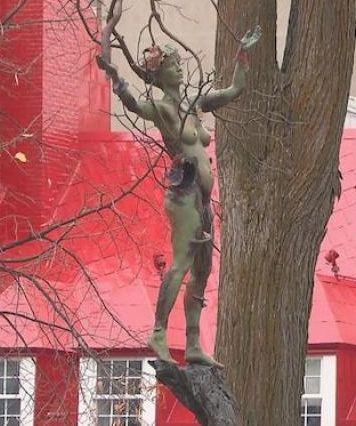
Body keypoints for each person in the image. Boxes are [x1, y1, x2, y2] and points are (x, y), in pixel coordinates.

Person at [97, 26, 261, 366]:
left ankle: (193, 344)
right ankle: (158, 332)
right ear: (162, 73)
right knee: (183, 262)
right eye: (174, 64)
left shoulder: (195, 104)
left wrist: (242, 57)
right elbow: (131, 103)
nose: (181, 68)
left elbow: (234, 90)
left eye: (181, 63)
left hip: (202, 200)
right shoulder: (163, 109)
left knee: (203, 269)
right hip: (183, 193)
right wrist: (115, 76)